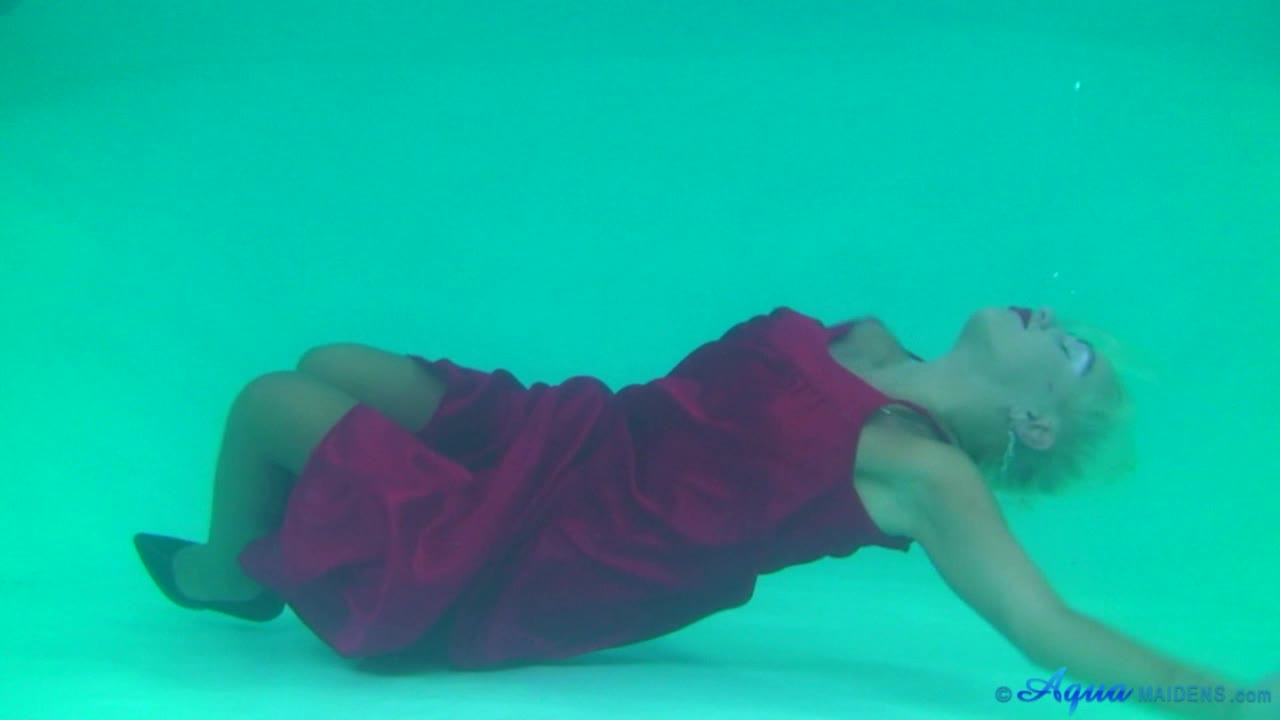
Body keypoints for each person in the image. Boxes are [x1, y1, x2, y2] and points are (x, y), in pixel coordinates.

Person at [134, 305, 1276, 718]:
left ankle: (233, 578)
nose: (1050, 320)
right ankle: (277, 548)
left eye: (1068, 354)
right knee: (332, 361)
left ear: (1033, 424)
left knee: (272, 401)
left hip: (559, 549)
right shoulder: (870, 339)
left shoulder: (918, 474)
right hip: (569, 440)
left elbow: (1045, 627)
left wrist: (1228, 698)